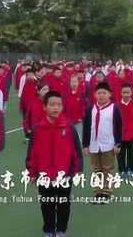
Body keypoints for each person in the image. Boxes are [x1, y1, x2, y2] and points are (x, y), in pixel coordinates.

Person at [27, 90, 83, 237]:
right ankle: (49, 229)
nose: (55, 108)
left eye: (58, 104)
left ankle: (61, 230)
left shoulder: (69, 127)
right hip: (44, 176)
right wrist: (32, 172)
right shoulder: (38, 129)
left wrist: (77, 170)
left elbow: (76, 151)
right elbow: (32, 153)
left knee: (63, 204)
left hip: (64, 175)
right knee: (46, 204)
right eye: (52, 104)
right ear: (45, 107)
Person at [82, 82, 122, 203]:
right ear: (95, 95)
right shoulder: (90, 109)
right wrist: (85, 145)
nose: (101, 95)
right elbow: (86, 127)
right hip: (94, 145)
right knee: (96, 169)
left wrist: (118, 143)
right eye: (99, 93)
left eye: (104, 93)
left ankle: (107, 191)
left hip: (108, 144)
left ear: (110, 94)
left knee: (107, 168)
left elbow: (119, 127)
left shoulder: (114, 108)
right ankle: (98, 191)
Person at [117, 83, 133, 179]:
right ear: (121, 93)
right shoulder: (117, 106)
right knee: (120, 154)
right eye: (124, 92)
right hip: (120, 135)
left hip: (132, 134)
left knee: (131, 153)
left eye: (128, 92)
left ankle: (130, 169)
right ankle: (122, 170)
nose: (126, 94)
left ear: (132, 93)